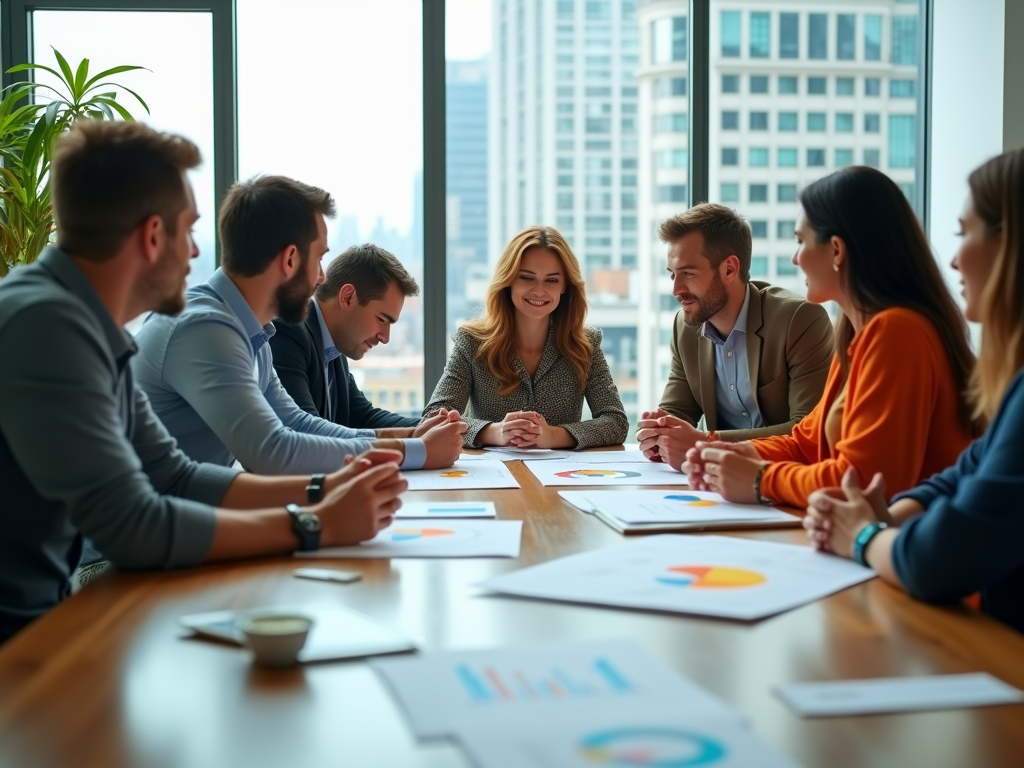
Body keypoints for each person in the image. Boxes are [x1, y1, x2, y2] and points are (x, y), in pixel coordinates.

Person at [0, 122, 405, 644]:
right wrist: (315, 524)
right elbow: (135, 526)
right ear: (151, 236)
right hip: (25, 636)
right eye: (189, 230)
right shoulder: (48, 326)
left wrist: (323, 490)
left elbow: (175, 478)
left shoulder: (88, 324)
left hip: (49, 612)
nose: (196, 254)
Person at [804, 150, 1024, 634]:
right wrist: (883, 516)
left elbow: (941, 557)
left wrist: (862, 533)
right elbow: (959, 477)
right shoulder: (1016, 385)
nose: (954, 257)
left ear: (1009, 246)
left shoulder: (896, 330)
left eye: (965, 233)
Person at [683, 166, 981, 509]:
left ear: (837, 250)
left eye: (800, 241)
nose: (795, 258)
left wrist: (759, 478)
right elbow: (804, 442)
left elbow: (865, 482)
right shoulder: (857, 333)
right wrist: (730, 454)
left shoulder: (898, 332)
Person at [133, 175, 465, 475]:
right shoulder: (204, 329)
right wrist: (415, 451)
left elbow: (297, 423)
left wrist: (410, 438)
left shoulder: (254, 333)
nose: (322, 277)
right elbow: (273, 450)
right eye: (319, 258)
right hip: (146, 535)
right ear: (290, 259)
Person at [636, 203, 833, 468]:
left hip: (785, 477)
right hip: (719, 486)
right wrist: (659, 432)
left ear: (729, 269)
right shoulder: (685, 328)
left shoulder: (800, 320)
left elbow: (810, 429)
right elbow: (678, 410)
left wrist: (707, 443)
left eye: (688, 274)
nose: (676, 289)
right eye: (672, 275)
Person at [424, 225, 628, 449]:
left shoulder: (585, 345)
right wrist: (495, 432)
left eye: (551, 280)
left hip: (559, 477)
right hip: (494, 479)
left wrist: (553, 436)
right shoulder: (472, 342)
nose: (539, 291)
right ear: (508, 280)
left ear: (565, 287)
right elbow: (433, 420)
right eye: (527, 278)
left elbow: (616, 422)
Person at [270, 243, 422, 433]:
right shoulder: (289, 331)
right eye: (382, 319)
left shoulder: (334, 346)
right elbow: (305, 433)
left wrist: (428, 427)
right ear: (347, 297)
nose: (385, 338)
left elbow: (364, 417)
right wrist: (414, 446)